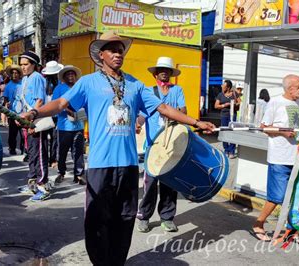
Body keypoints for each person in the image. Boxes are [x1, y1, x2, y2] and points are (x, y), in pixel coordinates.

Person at [19, 31, 215, 266]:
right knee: (96, 219)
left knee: (125, 217)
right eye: (112, 49)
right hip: (101, 164)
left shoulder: (135, 84)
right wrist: (35, 112)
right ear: (100, 55)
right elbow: (61, 103)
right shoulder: (88, 82)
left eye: (120, 50)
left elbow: (162, 108)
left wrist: (195, 122)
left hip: (129, 164)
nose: (117, 54)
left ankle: (116, 261)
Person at [251, 74, 299, 241]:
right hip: (280, 157)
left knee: (296, 196)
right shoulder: (275, 102)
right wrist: (283, 131)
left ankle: (293, 230)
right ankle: (258, 223)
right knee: (277, 196)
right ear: (290, 88)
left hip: (297, 157)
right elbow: (264, 127)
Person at [136, 56, 186, 233]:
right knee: (149, 184)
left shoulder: (177, 90)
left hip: (172, 144)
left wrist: (173, 113)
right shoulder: (149, 92)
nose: (164, 73)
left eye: (167, 70)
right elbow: (143, 114)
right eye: (161, 70)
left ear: (171, 74)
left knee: (170, 184)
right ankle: (144, 216)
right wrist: (138, 123)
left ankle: (167, 217)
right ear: (156, 74)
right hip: (153, 145)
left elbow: (183, 111)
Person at [17, 51, 50, 202]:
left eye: (26, 64)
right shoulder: (24, 79)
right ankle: (32, 182)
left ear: (34, 65)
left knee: (39, 152)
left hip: (36, 120)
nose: (23, 67)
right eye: (21, 64)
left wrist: (31, 119)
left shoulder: (37, 77)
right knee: (31, 152)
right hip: (27, 120)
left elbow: (40, 101)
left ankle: (42, 185)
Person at [52, 65, 86, 185]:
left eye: (72, 74)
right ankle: (61, 172)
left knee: (78, 151)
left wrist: (81, 113)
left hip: (79, 126)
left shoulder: (80, 88)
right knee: (62, 151)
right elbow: (55, 105)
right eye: (68, 74)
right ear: (64, 77)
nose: (71, 76)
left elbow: (85, 102)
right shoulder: (59, 89)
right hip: (64, 126)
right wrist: (67, 110)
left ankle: (79, 174)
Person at [41, 61, 63, 168]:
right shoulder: (59, 84)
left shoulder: (43, 83)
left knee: (45, 138)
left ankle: (47, 159)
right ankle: (53, 159)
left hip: (45, 113)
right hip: (54, 114)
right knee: (54, 138)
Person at [215, 79, 240, 158]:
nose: (222, 86)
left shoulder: (235, 94)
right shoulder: (220, 95)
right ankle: (226, 149)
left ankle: (232, 151)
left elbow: (240, 102)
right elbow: (216, 106)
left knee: (232, 132)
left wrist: (234, 103)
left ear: (228, 88)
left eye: (224, 85)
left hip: (233, 115)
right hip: (224, 115)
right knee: (224, 132)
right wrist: (224, 105)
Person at [3, 64, 24, 155]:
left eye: (16, 73)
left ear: (20, 74)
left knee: (24, 134)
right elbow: (5, 98)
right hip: (13, 113)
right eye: (13, 73)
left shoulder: (24, 83)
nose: (14, 75)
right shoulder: (8, 86)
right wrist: (7, 104)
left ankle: (25, 150)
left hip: (23, 113)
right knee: (12, 133)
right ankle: (12, 148)